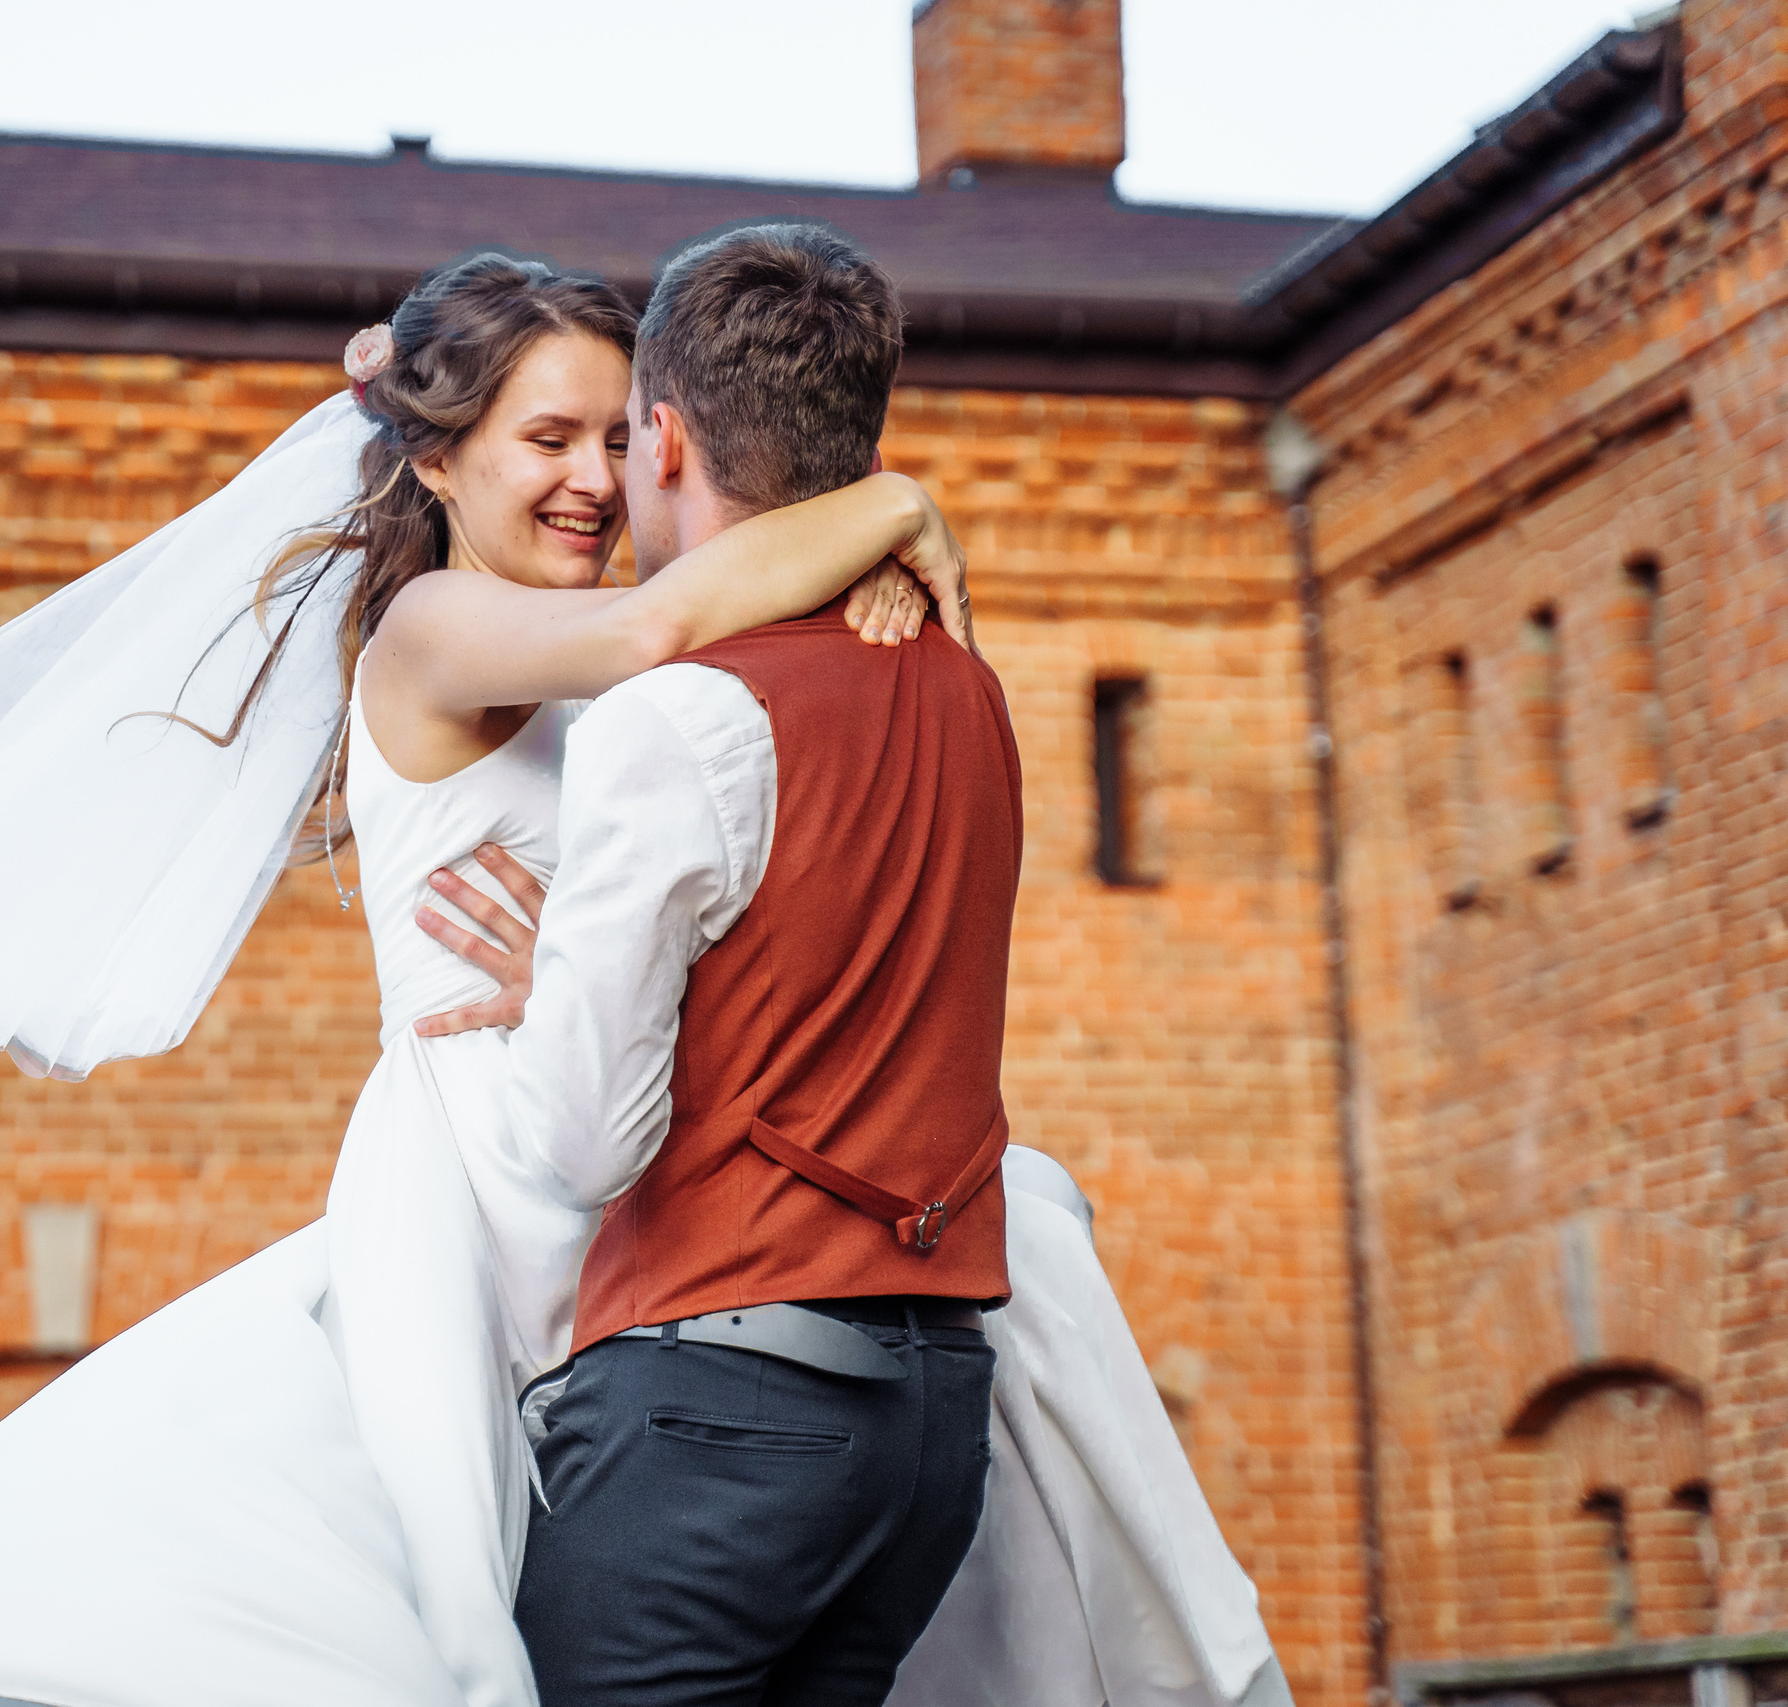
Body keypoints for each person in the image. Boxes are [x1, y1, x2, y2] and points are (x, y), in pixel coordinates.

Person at [0, 252, 972, 1707]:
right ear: (438, 463)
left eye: (614, 440)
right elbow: (660, 626)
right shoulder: (440, 630)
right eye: (546, 439)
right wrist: (891, 506)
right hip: (488, 1176)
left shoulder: (612, 650)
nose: (592, 477)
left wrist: (854, 585)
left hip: (630, 1157)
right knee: (431, 1623)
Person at [415, 228, 1295, 1707]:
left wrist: (561, 990)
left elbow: (582, 1141)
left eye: (618, 441)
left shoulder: (672, 714)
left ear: (668, 441)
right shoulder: (968, 686)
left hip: (718, 1400)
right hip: (931, 1421)